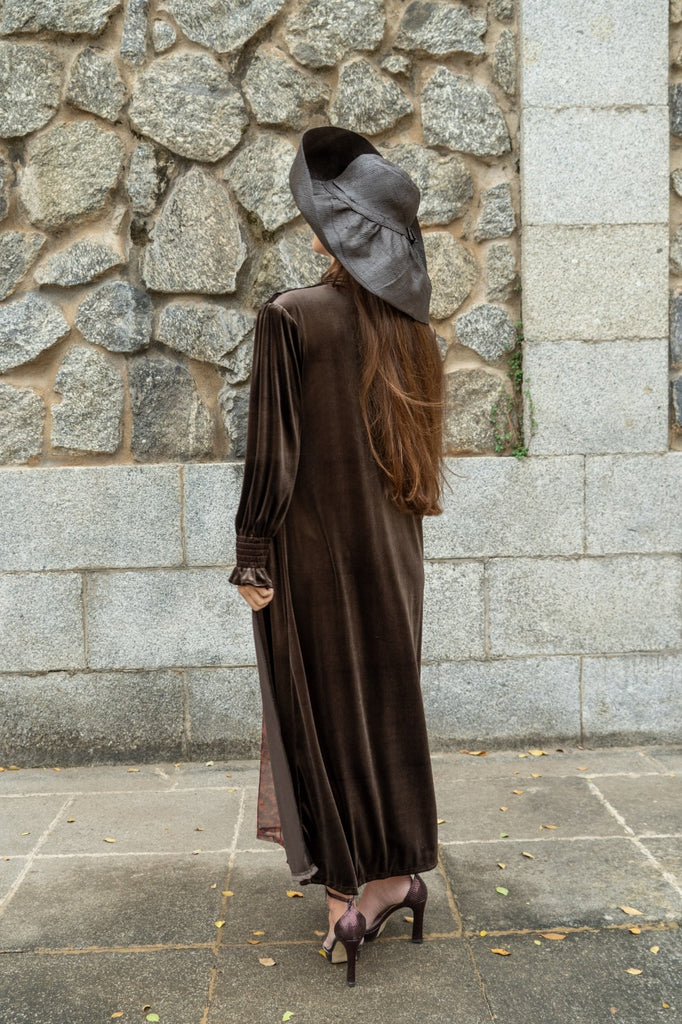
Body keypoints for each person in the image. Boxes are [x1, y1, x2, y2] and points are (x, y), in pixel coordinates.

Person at [228, 125, 444, 986]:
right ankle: (393, 878)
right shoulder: (411, 331)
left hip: (312, 556)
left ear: (335, 232)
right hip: (396, 558)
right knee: (383, 711)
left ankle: (349, 896)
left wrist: (252, 552)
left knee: (316, 713)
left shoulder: (291, 316)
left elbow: (272, 452)